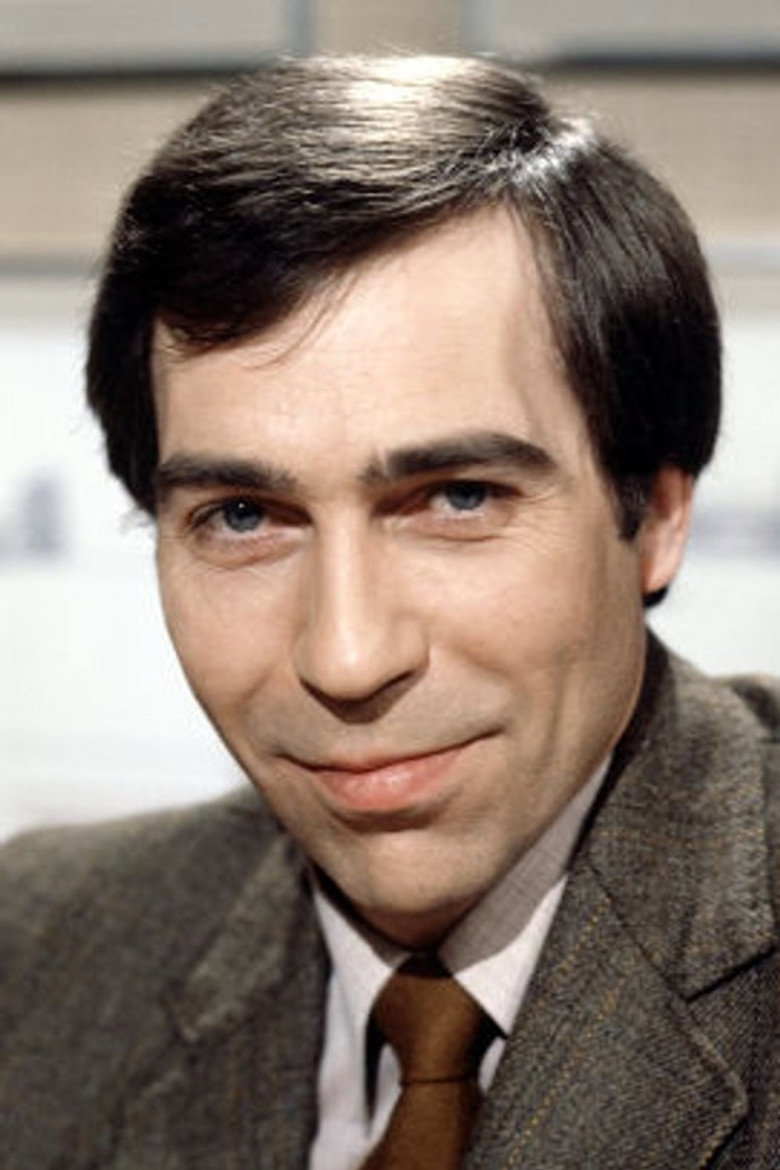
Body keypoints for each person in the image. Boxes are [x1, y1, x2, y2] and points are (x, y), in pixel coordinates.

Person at [2, 55, 779, 1170]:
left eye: (457, 499)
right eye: (242, 517)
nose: (348, 657)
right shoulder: (38, 952)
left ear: (654, 515)